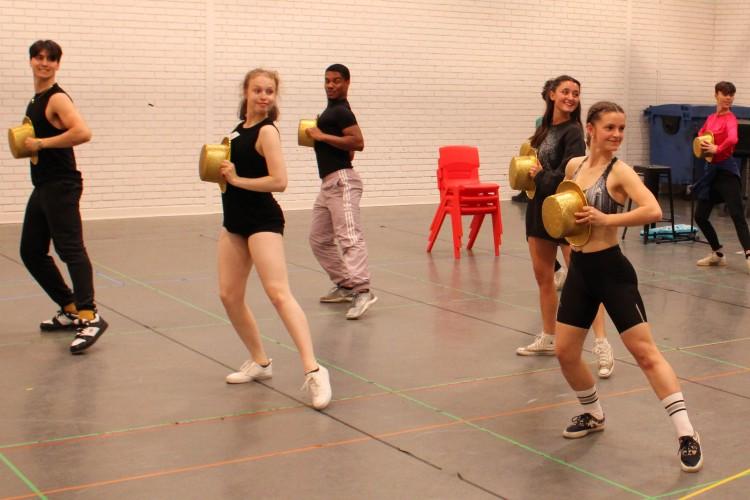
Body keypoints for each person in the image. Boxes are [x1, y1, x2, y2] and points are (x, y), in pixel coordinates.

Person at [555, 101, 703, 472]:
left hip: (612, 271)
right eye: (610, 128)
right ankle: (593, 413)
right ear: (591, 128)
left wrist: (609, 217)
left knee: (645, 353)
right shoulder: (574, 166)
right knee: (565, 352)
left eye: (621, 129)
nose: (617, 135)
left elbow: (653, 210)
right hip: (580, 271)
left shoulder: (620, 173)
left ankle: (687, 433)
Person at [218, 68, 331, 410]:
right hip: (233, 221)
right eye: (258, 90)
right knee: (229, 295)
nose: (264, 96)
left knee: (278, 293)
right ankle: (260, 362)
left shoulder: (267, 132)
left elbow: (279, 181)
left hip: (262, 220)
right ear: (246, 92)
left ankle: (314, 369)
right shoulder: (237, 132)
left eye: (269, 91)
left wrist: (237, 180)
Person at [516, 76, 613, 379]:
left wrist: (540, 174)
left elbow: (565, 176)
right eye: (565, 92)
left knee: (586, 280)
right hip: (539, 211)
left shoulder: (572, 132)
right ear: (551, 94)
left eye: (575, 94)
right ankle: (548, 336)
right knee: (544, 277)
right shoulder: (545, 128)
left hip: (565, 210)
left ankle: (602, 345)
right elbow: (534, 165)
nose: (570, 97)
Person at [19, 40, 107, 354]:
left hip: (61, 185)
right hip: (43, 185)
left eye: (50, 59)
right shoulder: (36, 99)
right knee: (31, 251)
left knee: (70, 249)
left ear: (57, 65)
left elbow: (82, 132)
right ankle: (70, 308)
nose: (44, 63)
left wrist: (41, 144)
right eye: (39, 58)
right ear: (30, 61)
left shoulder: (56, 98)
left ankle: (90, 315)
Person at [305, 64, 377, 320]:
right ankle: (345, 284)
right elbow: (348, 149)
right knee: (318, 239)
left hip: (342, 182)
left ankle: (362, 290)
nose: (331, 85)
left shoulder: (342, 111)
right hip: (328, 185)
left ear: (347, 83)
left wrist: (322, 137)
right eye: (327, 81)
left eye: (336, 81)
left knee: (349, 237)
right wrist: (325, 137)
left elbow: (358, 142)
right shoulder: (330, 112)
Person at [692, 81, 750, 273]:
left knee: (736, 214)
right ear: (716, 95)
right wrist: (703, 142)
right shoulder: (711, 118)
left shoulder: (730, 118)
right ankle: (717, 254)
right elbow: (701, 134)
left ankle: (749, 254)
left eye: (731, 94)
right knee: (700, 216)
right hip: (711, 173)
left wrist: (718, 147)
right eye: (724, 94)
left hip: (726, 173)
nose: (728, 97)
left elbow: (733, 139)